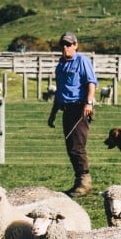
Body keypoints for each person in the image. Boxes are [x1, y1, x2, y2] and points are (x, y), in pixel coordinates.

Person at [47, 31, 97, 196]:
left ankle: (85, 182)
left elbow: (91, 82)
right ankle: (79, 181)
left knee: (77, 146)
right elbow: (60, 91)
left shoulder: (82, 61)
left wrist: (89, 102)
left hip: (80, 107)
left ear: (76, 45)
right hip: (66, 108)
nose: (65, 48)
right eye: (63, 44)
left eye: (69, 44)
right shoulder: (60, 65)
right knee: (71, 146)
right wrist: (53, 113)